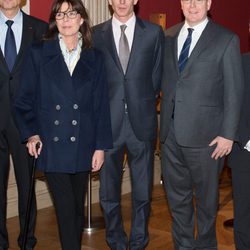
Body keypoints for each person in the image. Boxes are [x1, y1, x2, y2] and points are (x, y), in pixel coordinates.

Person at [14, 0, 112, 249]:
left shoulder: (95, 57)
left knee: (77, 210)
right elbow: (23, 100)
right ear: (54, 20)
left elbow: (101, 105)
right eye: (60, 14)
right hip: (52, 144)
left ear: (81, 19)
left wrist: (100, 146)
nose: (66, 19)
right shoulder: (38, 52)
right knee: (66, 209)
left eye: (72, 13)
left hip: (84, 145)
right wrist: (32, 134)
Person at [160, 0, 244, 249]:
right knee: (178, 202)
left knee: (207, 205)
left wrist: (228, 134)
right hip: (170, 136)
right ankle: (183, 246)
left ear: (209, 3)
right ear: (181, 3)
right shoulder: (168, 36)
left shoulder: (226, 39)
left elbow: (234, 91)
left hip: (208, 141)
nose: (192, 4)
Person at [92, 0, 164, 249]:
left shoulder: (154, 33)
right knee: (108, 192)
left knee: (142, 192)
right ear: (110, 1)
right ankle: (116, 240)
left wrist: (139, 102)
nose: (122, 1)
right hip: (107, 124)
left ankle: (138, 241)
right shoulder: (95, 33)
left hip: (141, 123)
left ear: (136, 0)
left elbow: (156, 77)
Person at [0, 0, 47, 249]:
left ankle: (27, 242)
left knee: (27, 187)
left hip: (26, 123)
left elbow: (46, 79)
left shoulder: (39, 29)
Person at [228, 53, 250, 250]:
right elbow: (232, 103)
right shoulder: (240, 62)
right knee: (244, 212)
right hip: (245, 152)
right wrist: (247, 140)